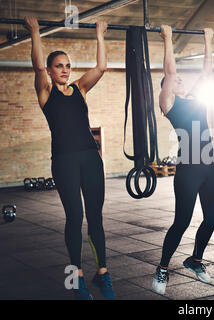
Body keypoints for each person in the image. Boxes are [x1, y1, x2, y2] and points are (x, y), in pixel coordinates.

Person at [24, 16, 114, 300]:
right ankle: (75, 277)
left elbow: (101, 67)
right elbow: (37, 65)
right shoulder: (45, 92)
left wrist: (100, 34)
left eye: (67, 65)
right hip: (64, 161)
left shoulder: (80, 88)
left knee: (96, 217)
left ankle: (103, 273)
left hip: (90, 158)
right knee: (74, 217)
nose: (64, 70)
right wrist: (36, 33)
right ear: (50, 71)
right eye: (59, 66)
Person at [152, 25, 214, 295]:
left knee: (213, 219)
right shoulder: (169, 103)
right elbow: (169, 72)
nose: (180, 80)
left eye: (181, 79)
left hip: (209, 166)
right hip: (188, 169)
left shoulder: (194, 99)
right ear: (167, 88)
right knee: (182, 221)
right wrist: (168, 38)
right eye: (176, 80)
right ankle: (163, 267)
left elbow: (206, 72)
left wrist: (208, 39)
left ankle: (195, 259)